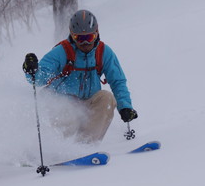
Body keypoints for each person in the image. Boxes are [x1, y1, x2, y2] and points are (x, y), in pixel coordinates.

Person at [22, 9, 138, 143]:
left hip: (88, 102)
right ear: (72, 35)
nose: (85, 43)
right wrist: (31, 70)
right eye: (79, 38)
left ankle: (86, 147)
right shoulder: (62, 52)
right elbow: (39, 79)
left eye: (89, 38)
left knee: (107, 98)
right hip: (61, 103)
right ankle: (59, 148)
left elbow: (118, 81)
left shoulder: (103, 52)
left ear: (96, 33)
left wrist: (125, 107)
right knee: (70, 112)